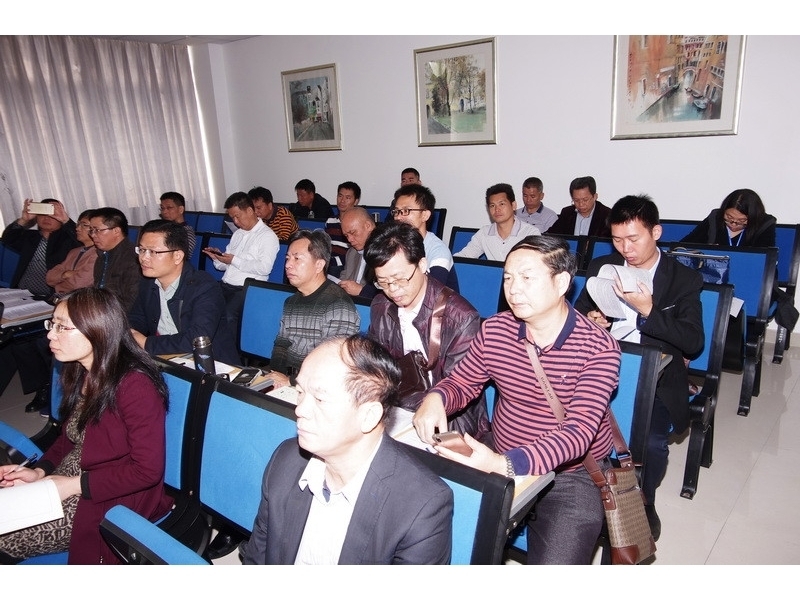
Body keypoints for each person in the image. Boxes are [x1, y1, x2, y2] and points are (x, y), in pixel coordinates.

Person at [413, 235, 621, 564]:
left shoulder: (599, 348)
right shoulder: (495, 329)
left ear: (561, 282)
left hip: (569, 473)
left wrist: (504, 465)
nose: (513, 289)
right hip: (502, 448)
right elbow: (463, 381)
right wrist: (436, 397)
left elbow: (578, 434)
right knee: (434, 532)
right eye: (508, 278)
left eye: (526, 278)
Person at [241, 334, 453, 565]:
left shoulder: (420, 506)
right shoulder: (286, 460)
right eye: (300, 392)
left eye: (320, 399)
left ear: (368, 416)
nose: (300, 410)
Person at [0, 287, 173, 564]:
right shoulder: (81, 369)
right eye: (52, 324)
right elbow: (68, 439)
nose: (50, 335)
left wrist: (72, 485)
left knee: (6, 535)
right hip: (74, 475)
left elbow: (147, 471)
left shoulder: (135, 385)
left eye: (62, 327)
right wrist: (39, 472)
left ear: (97, 331)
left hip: (114, 490)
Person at [574, 194, 704, 542]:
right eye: (617, 240)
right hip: (601, 367)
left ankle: (644, 499)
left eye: (633, 239)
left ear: (655, 232)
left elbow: (693, 342)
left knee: (653, 443)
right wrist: (591, 319)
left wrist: (649, 311)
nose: (625, 249)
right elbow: (576, 314)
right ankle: (580, 492)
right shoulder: (603, 266)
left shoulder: (682, 279)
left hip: (655, 376)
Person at [365, 222, 489, 439]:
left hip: (451, 420)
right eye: (383, 282)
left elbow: (460, 385)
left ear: (422, 264)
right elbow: (376, 365)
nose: (393, 290)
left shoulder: (461, 318)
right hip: (397, 408)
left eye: (400, 279)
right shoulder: (381, 306)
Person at [1, 198, 80, 411]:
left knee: (37, 341)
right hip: (22, 295)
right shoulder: (30, 237)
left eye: (52, 214)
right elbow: (8, 238)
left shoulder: (67, 238)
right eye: (42, 213)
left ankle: (49, 387)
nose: (47, 218)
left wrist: (67, 221)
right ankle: (40, 385)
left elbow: (83, 243)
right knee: (16, 340)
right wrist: (23, 220)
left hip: (51, 298)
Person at [128, 219, 239, 364]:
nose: (144, 258)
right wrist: (128, 332)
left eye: (153, 252)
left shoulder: (204, 287)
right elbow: (137, 318)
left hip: (210, 364)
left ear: (177, 256)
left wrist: (147, 343)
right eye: (142, 250)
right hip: (165, 358)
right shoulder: (149, 282)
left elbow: (198, 339)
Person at [266, 229, 360, 388]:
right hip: (289, 379)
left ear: (319, 265)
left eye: (297, 259)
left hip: (318, 385)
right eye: (287, 258)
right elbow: (282, 343)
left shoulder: (338, 305)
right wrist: (276, 376)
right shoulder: (291, 302)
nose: (288, 265)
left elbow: (334, 363)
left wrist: (290, 381)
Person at [202, 192, 279, 328]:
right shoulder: (237, 234)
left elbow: (264, 268)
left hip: (247, 289)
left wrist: (234, 260)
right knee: (204, 306)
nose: (235, 222)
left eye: (237, 216)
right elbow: (225, 266)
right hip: (226, 285)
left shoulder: (267, 236)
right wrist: (218, 258)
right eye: (232, 218)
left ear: (249, 210)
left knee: (228, 316)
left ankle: (231, 342)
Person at [390, 184, 458, 292]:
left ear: (425, 215)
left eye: (406, 211)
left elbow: (431, 293)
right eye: (396, 211)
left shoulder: (439, 252)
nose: (398, 217)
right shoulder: (393, 244)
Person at [454, 183, 542, 261]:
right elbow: (464, 257)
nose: (497, 209)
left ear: (513, 205)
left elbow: (536, 265)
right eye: (492, 205)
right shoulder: (484, 233)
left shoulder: (530, 233)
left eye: (502, 204)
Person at [681, 188, 776, 248]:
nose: (733, 224)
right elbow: (683, 246)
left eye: (741, 220)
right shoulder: (715, 218)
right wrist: (707, 250)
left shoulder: (764, 224)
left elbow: (766, 260)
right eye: (729, 217)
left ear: (754, 217)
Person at [89, 207, 142, 312]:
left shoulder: (134, 259)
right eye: (91, 231)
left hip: (118, 315)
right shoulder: (102, 256)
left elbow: (131, 303)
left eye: (97, 230)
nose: (93, 235)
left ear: (116, 231)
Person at [45, 209, 98, 298]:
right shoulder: (74, 252)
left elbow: (79, 284)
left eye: (84, 225)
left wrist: (58, 286)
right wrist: (65, 274)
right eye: (78, 224)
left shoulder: (99, 253)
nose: (77, 228)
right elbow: (49, 277)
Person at [547, 176, 611, 237]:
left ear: (595, 196)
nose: (581, 204)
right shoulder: (567, 213)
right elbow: (550, 235)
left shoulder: (606, 215)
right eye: (576, 200)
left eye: (585, 200)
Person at [337, 206, 377, 299]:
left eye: (353, 233)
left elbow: (389, 292)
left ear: (368, 226)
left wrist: (362, 291)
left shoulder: (387, 252)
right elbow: (344, 277)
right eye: (346, 235)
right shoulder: (352, 252)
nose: (350, 239)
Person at [326, 181, 362, 276]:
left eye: (348, 198)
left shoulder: (357, 223)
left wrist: (331, 261)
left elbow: (356, 253)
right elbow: (326, 246)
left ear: (356, 201)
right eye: (340, 196)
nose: (342, 201)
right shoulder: (330, 221)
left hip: (346, 264)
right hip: (330, 261)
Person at [159, 191, 196, 255]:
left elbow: (182, 255)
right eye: (162, 208)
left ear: (181, 209)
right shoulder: (161, 229)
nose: (164, 212)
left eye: (169, 208)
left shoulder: (186, 233)